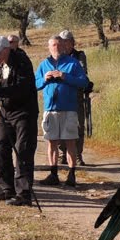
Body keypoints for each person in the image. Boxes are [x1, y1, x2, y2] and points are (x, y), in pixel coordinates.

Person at [0, 35, 39, 206]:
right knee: (1, 148)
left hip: (24, 112)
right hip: (6, 112)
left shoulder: (22, 62)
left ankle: (23, 193)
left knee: (22, 150)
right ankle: (7, 188)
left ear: (6, 50)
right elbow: (0, 81)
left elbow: (21, 88)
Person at [36, 35, 89, 187]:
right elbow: (34, 84)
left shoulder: (72, 63)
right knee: (51, 142)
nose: (56, 48)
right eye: (53, 45)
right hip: (50, 109)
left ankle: (72, 175)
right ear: (49, 47)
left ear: (64, 46)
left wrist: (64, 76)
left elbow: (83, 82)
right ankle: (53, 174)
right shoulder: (44, 64)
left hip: (69, 109)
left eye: (59, 45)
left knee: (70, 142)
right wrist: (44, 79)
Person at [58, 30, 90, 167]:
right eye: (62, 41)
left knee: (78, 125)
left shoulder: (79, 55)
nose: (64, 44)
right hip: (60, 95)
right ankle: (62, 154)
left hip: (76, 94)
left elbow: (82, 74)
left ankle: (77, 155)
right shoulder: (56, 56)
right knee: (60, 125)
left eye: (67, 41)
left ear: (72, 42)